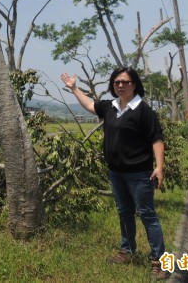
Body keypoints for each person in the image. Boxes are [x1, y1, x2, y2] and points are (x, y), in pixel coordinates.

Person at [60, 67, 168, 281]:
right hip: (116, 173)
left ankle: (159, 261)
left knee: (147, 215)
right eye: (117, 82)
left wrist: (159, 167)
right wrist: (74, 89)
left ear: (134, 84)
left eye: (125, 82)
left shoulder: (143, 110)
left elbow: (157, 139)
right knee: (124, 212)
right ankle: (127, 251)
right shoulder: (110, 107)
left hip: (139, 174)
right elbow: (91, 106)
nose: (120, 85)